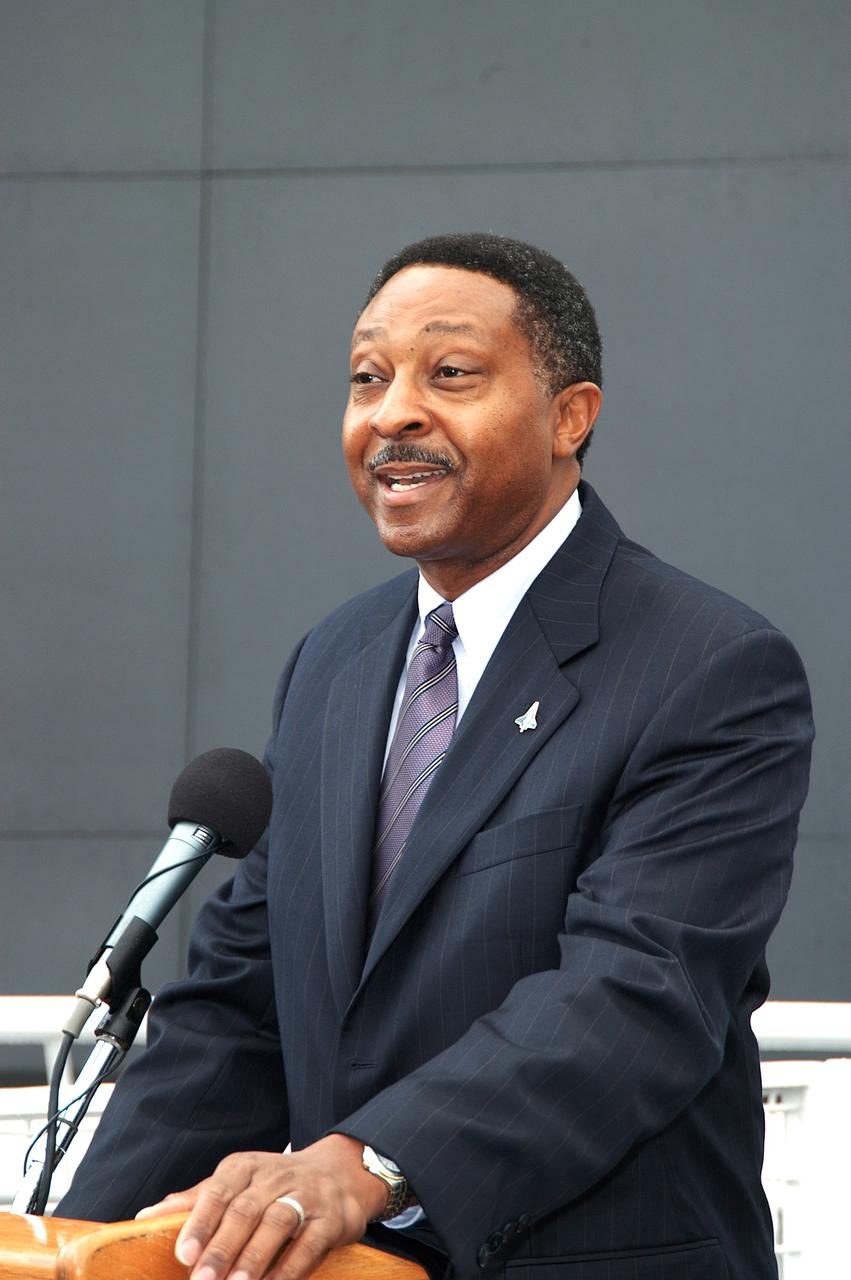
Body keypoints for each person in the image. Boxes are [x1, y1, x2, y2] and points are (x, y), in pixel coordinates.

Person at [57, 234, 813, 1280]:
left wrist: (369, 1159)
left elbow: (633, 993)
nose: (393, 412)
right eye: (367, 377)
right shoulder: (334, 661)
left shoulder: (709, 665)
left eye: (448, 373)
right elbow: (237, 1009)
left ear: (568, 415)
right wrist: (76, 1243)